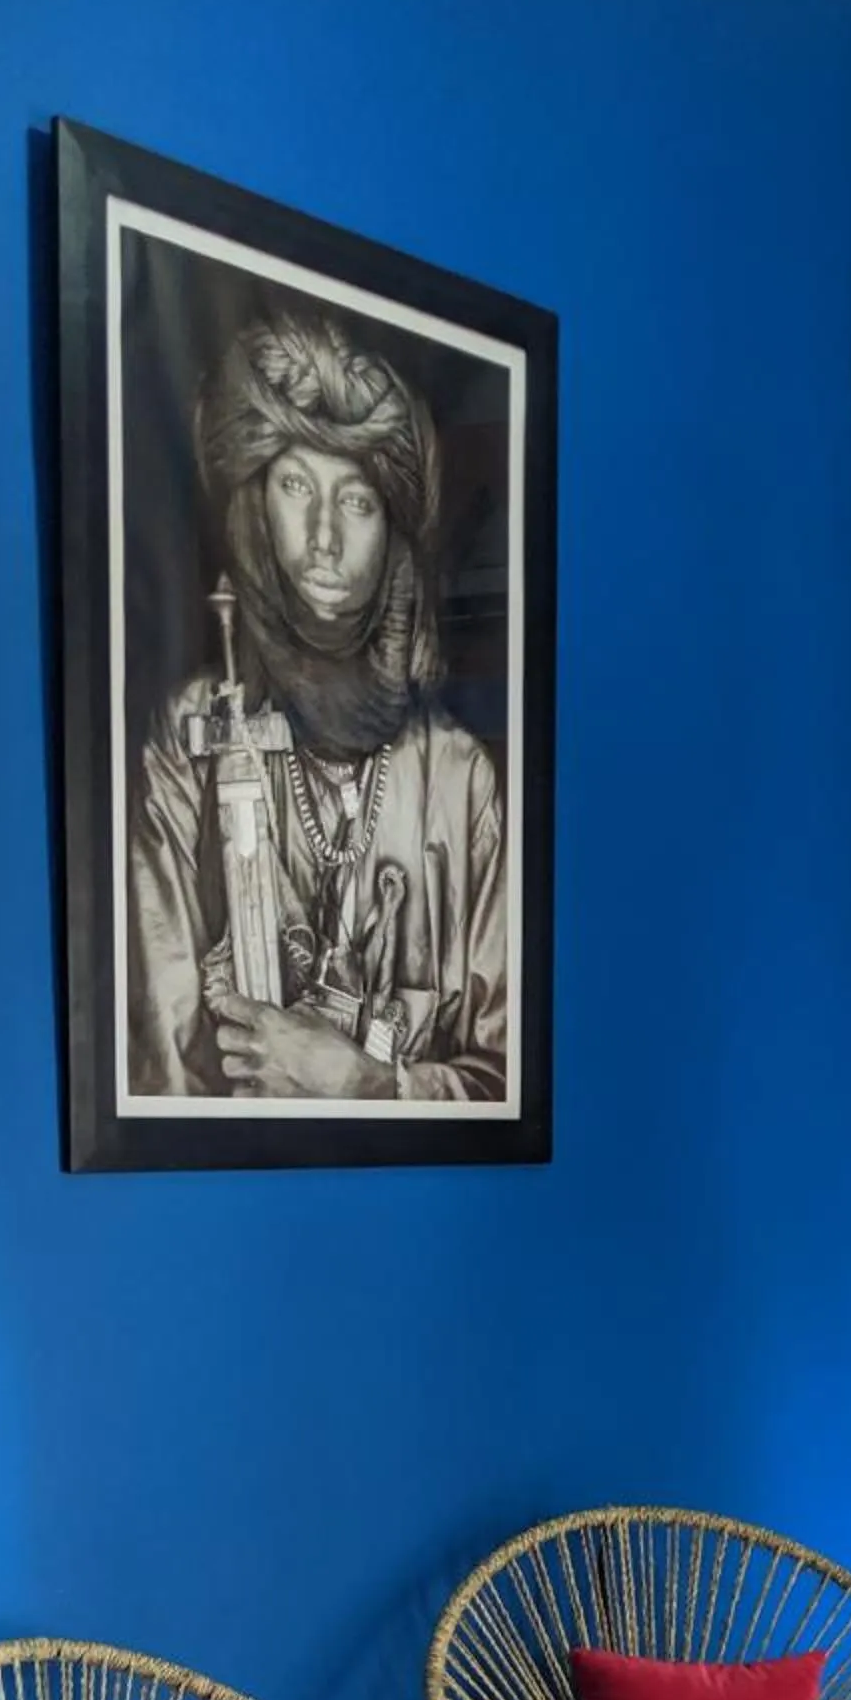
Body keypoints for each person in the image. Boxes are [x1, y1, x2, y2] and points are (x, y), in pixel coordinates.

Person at [126, 305, 508, 1103]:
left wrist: (368, 1082)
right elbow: (154, 1063)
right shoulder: (188, 736)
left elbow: (505, 1079)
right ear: (257, 506)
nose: (325, 537)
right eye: (297, 486)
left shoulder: (460, 776)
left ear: (393, 533)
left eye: (359, 501)